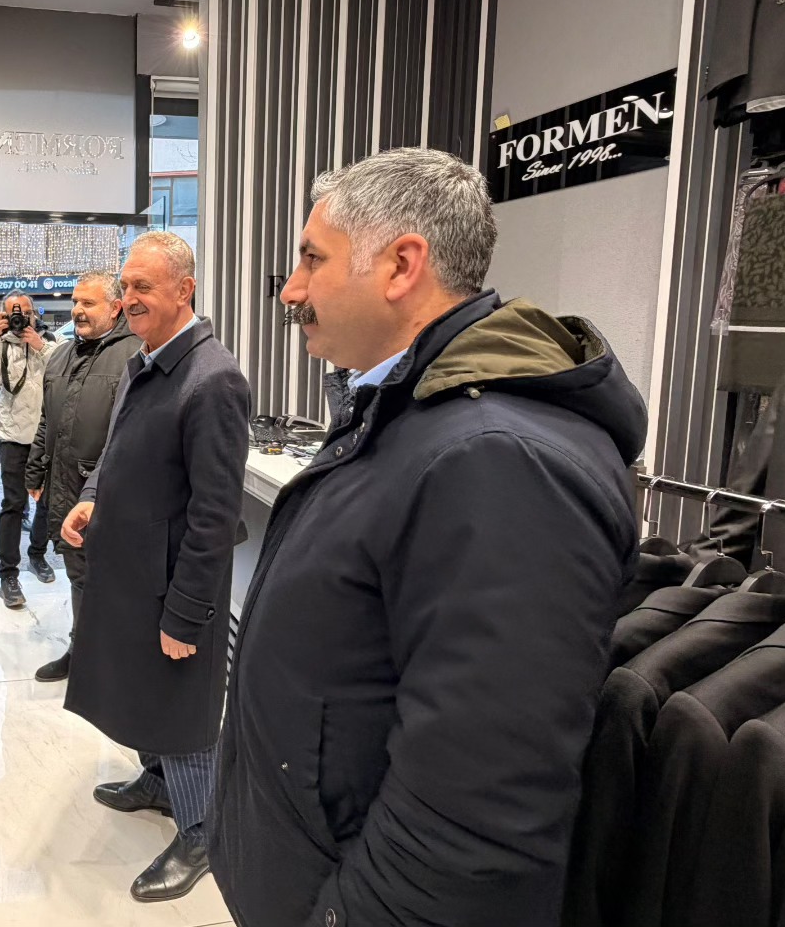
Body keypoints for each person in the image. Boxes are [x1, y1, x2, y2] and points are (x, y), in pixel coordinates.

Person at [210, 148, 647, 927]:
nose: (291, 289)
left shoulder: (499, 463)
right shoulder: (409, 416)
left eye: (312, 259)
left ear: (402, 265)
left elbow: (478, 812)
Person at [60, 232, 250, 902]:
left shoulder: (213, 378)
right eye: (125, 286)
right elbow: (116, 452)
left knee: (181, 705)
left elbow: (214, 515)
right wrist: (90, 497)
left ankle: (201, 831)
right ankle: (161, 783)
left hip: (171, 584)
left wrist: (186, 614)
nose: (129, 298)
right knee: (142, 692)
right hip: (130, 575)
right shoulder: (144, 363)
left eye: (143, 285)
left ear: (184, 290)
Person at [26, 270, 141, 683]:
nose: (77, 310)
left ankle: (113, 658)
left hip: (109, 492)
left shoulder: (135, 354)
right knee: (77, 570)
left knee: (111, 577)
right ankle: (83, 651)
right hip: (64, 484)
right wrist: (35, 469)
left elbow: (130, 433)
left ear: (115, 308)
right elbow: (47, 419)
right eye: (76, 302)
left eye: (88, 303)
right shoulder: (61, 355)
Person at [0, 292, 58, 609]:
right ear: (3, 316)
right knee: (13, 504)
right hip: (13, 436)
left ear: (35, 313)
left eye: (25, 313)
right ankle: (8, 574)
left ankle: (37, 554)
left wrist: (39, 345)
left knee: (46, 502)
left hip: (46, 436)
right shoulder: (0, 344)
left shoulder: (50, 342)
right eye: (13, 314)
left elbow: (64, 374)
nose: (20, 319)